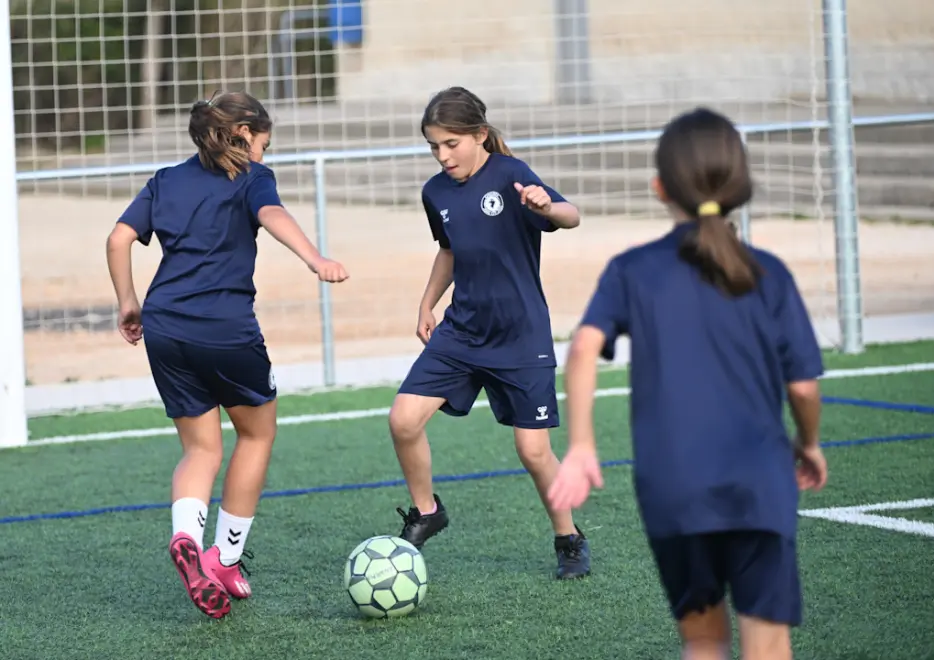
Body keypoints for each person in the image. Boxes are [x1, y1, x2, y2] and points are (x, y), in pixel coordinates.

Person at [548, 107, 828, 659]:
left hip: (673, 488)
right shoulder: (767, 272)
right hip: (758, 483)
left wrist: (581, 445)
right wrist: (809, 443)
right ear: (741, 185)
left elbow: (582, 347)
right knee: (767, 644)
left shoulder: (632, 270)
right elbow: (802, 387)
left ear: (659, 188)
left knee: (702, 643)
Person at [105, 91, 348, 619]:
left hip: (165, 326)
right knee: (258, 433)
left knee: (200, 450)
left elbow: (119, 237)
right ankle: (225, 559)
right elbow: (273, 214)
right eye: (263, 142)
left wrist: (129, 302)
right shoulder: (253, 177)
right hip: (225, 328)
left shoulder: (166, 179)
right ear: (243, 137)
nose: (264, 152)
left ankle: (186, 536)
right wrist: (315, 258)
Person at [387, 86, 591, 580]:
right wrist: (426, 303)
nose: (442, 155)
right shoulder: (434, 192)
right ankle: (428, 510)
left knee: (533, 450)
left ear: (479, 135)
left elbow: (571, 216)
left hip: (520, 336)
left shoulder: (512, 175)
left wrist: (547, 205)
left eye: (451, 143)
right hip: (462, 331)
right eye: (434, 146)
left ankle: (568, 538)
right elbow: (450, 250)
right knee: (403, 420)